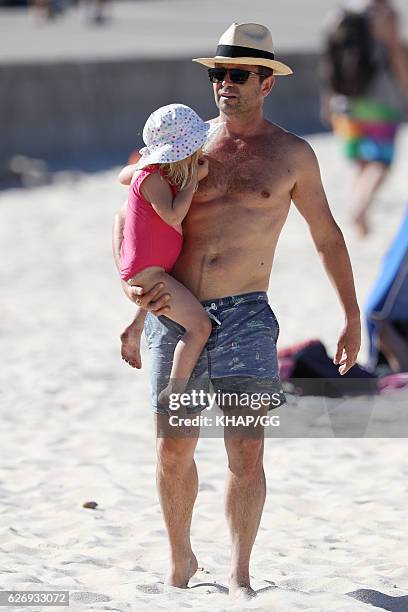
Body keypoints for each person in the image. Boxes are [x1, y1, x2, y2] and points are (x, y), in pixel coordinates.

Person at [112, 22, 361, 600]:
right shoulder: (183, 145)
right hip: (174, 309)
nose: (224, 84)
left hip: (247, 314)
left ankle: (240, 573)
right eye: (217, 74)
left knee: (245, 450)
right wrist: (128, 290)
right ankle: (181, 562)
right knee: (173, 447)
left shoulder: (292, 154)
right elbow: (129, 212)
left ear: (266, 82)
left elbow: (327, 237)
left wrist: (351, 316)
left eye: (238, 74)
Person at [118, 104, 217, 409]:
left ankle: (134, 330)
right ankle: (173, 390)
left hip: (154, 270)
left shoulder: (156, 172)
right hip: (148, 272)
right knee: (200, 327)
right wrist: (191, 182)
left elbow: (125, 175)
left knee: (159, 293)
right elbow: (173, 216)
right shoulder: (152, 178)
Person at [320, 0, 408, 236]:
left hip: (345, 103)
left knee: (361, 161)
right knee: (381, 163)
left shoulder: (341, 13)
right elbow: (397, 54)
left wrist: (327, 102)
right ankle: (359, 209)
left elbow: (330, 62)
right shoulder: (386, 14)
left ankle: (359, 214)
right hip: (381, 104)